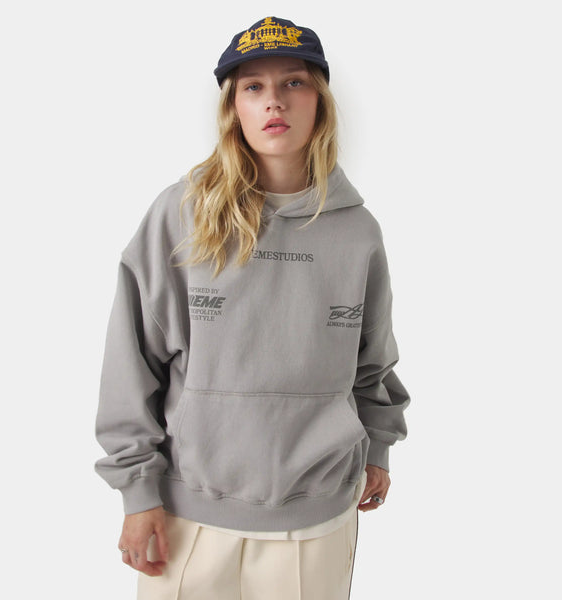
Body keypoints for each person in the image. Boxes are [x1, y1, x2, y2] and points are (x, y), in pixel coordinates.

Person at [95, 16, 410, 600]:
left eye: (294, 82)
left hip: (318, 516)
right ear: (233, 107)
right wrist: (137, 492)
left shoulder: (357, 231)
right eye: (253, 87)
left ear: (320, 101)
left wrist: (379, 446)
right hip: (188, 513)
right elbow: (132, 360)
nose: (274, 102)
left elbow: (371, 361)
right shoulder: (182, 215)